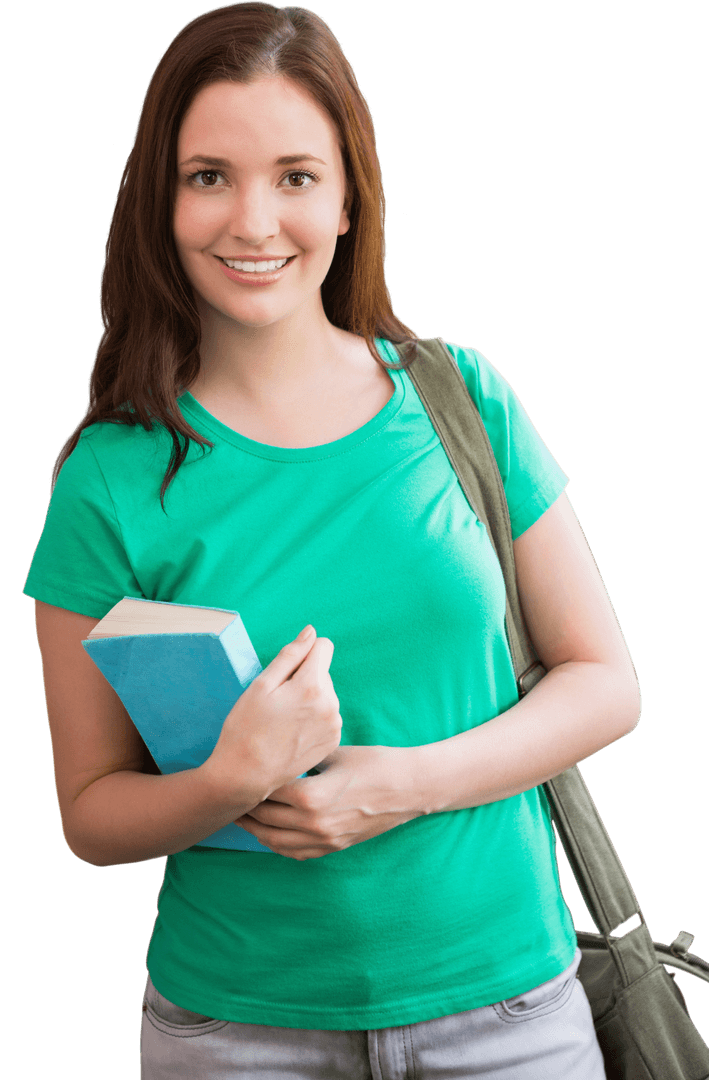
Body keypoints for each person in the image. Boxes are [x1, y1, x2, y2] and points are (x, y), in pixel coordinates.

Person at [24, 3, 641, 1076]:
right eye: (208, 175)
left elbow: (605, 683)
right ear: (158, 203)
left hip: (508, 1014)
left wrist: (397, 785)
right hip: (235, 1032)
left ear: (350, 197)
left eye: (296, 177)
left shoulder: (463, 401)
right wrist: (231, 777)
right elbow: (89, 814)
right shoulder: (107, 480)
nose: (253, 222)